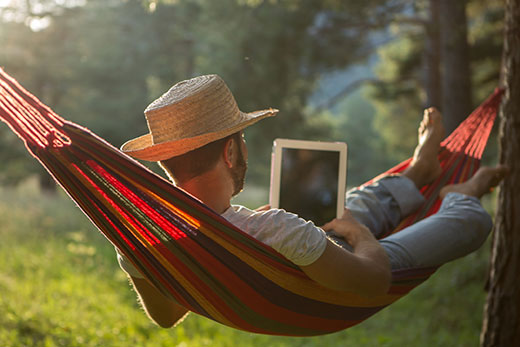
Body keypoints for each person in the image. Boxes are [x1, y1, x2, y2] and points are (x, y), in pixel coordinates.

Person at [116, 74, 508, 328]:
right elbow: (376, 280)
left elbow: (168, 316)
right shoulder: (276, 228)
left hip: (301, 254)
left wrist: (233, 254)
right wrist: (356, 233)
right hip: (344, 272)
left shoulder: (139, 240)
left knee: (343, 205)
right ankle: (459, 195)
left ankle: (416, 174)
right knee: (471, 222)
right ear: (231, 153)